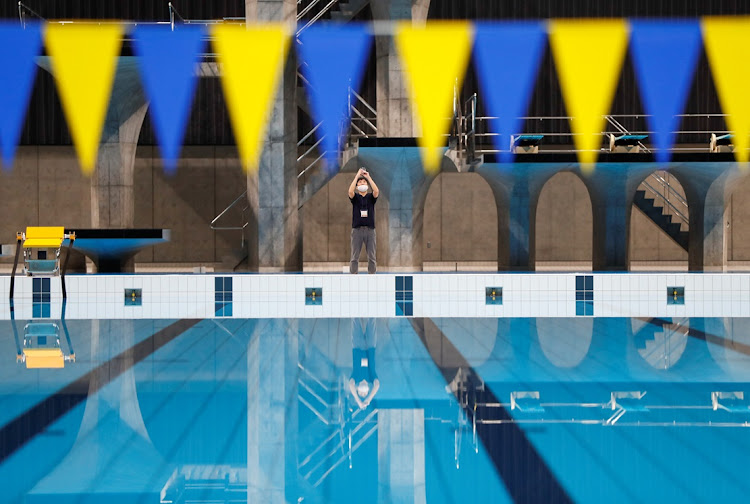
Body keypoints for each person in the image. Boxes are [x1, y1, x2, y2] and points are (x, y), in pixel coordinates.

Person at [348, 168, 379, 274]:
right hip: (357, 230)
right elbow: (350, 191)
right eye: (360, 182)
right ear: (357, 186)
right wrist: (357, 176)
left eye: (364, 182)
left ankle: (372, 274)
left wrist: (368, 177)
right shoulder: (355, 197)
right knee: (354, 256)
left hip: (370, 230)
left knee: (372, 256)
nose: (362, 183)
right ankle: (353, 274)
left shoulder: (371, 197)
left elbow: (376, 191)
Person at [348, 318, 379, 410]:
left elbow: (350, 385)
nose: (363, 393)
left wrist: (358, 401)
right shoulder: (371, 378)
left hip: (357, 346)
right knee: (372, 318)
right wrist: (368, 399)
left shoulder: (355, 377)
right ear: (369, 390)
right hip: (370, 346)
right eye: (365, 394)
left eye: (360, 394)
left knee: (355, 318)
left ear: (357, 389)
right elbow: (377, 385)